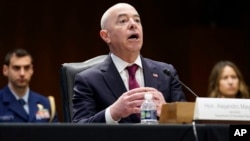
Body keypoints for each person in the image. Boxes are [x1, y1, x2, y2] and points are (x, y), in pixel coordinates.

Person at [72, 3, 186, 124]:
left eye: (137, 20)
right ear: (106, 36)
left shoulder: (166, 73)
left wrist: (166, 111)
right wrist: (113, 112)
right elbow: (79, 128)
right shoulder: (88, 80)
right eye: (123, 21)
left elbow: (188, 124)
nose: (133, 24)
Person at [0, 48, 58, 122]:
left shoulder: (46, 103)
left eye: (26, 68)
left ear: (32, 70)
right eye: (16, 68)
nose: (22, 73)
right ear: (5, 70)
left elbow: (55, 133)